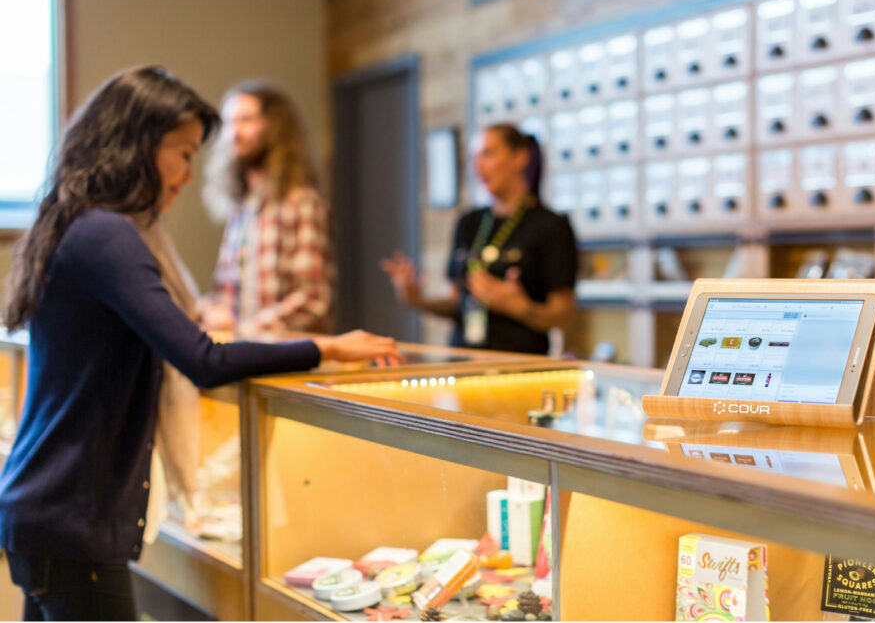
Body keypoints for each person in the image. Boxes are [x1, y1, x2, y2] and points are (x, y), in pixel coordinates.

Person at [0, 66, 400, 621]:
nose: (189, 174)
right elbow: (203, 359)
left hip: (50, 512)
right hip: (72, 518)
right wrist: (325, 348)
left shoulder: (80, 224)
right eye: (183, 152)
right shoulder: (108, 234)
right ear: (139, 145)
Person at [381, 124, 578, 355]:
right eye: (474, 158)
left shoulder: (551, 226)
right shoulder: (469, 222)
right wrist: (415, 299)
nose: (478, 166)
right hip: (463, 363)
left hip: (520, 367)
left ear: (520, 158)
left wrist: (520, 308)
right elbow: (457, 304)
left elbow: (564, 316)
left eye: (488, 154)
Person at [201, 81, 334, 335]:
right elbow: (223, 293)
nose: (234, 133)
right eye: (230, 122)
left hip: (289, 360)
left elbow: (313, 301)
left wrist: (244, 327)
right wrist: (208, 310)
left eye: (246, 120)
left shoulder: (301, 202)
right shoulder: (242, 209)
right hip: (246, 357)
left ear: (274, 127)